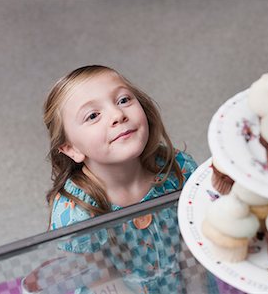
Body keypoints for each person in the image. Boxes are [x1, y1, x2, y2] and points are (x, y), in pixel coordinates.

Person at [43, 65, 206, 293]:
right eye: (93, 115)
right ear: (71, 148)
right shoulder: (77, 213)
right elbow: (103, 281)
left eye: (123, 100)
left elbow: (193, 250)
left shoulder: (178, 169)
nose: (118, 115)